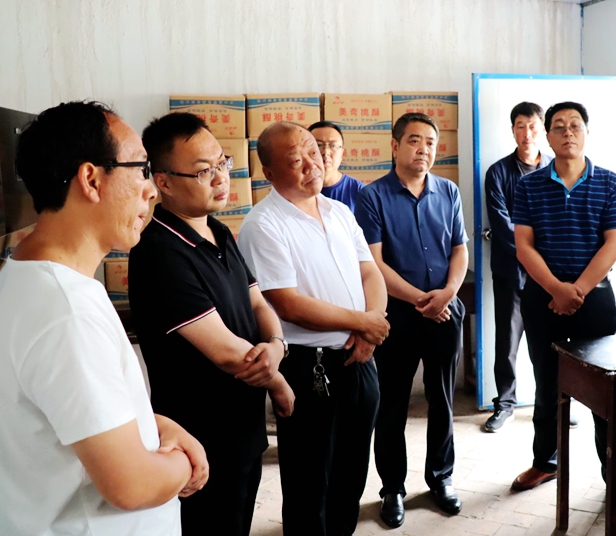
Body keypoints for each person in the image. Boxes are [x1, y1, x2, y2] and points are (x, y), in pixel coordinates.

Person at [0, 101, 207, 535]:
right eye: (141, 170)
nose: (152, 191)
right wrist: (185, 463)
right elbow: (131, 485)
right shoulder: (67, 312)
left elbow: (65, 416)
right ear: (91, 180)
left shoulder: (25, 278)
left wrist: (155, 426)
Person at [129, 112, 295, 536]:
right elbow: (225, 352)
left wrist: (277, 343)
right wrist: (278, 382)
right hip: (200, 439)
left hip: (243, 429)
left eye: (223, 163)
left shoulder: (219, 231)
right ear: (163, 182)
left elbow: (257, 303)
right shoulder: (159, 252)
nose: (221, 178)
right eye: (204, 171)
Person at [238, 121, 386, 536]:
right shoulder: (263, 224)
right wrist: (363, 322)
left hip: (360, 358)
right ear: (269, 172)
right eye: (295, 159)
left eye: (313, 151)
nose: (311, 163)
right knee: (310, 482)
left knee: (350, 475)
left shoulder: (339, 211)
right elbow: (287, 303)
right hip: (309, 367)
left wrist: (370, 328)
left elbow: (370, 273)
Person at [355, 113, 467, 527]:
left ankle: (441, 479)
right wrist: (422, 299)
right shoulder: (372, 196)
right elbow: (374, 264)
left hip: (445, 312)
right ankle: (392, 488)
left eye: (431, 142)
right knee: (392, 404)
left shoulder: (448, 191)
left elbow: (459, 250)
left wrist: (448, 293)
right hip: (397, 316)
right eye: (415, 140)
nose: (424, 149)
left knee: (443, 399)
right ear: (395, 145)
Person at [509, 102, 616, 491]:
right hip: (543, 298)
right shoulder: (528, 185)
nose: (567, 132)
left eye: (575, 125)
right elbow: (524, 246)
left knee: (605, 390)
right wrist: (557, 289)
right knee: (547, 383)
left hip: (595, 299)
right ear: (548, 136)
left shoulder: (609, 182)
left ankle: (614, 475)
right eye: (558, 126)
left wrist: (577, 290)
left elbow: (614, 243)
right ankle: (546, 462)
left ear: (586, 132)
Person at [482, 102, 552, 432]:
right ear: (513, 130)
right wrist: (533, 252)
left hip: (548, 276)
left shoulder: (555, 169)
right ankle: (505, 404)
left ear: (542, 130)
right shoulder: (497, 173)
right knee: (507, 342)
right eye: (520, 125)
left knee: (548, 344)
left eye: (533, 125)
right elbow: (501, 224)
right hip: (510, 273)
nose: (527, 132)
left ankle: (552, 402)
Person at [308, 121, 364, 212]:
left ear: (342, 153)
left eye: (333, 146)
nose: (326, 152)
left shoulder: (359, 192)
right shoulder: (296, 191)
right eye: (318, 145)